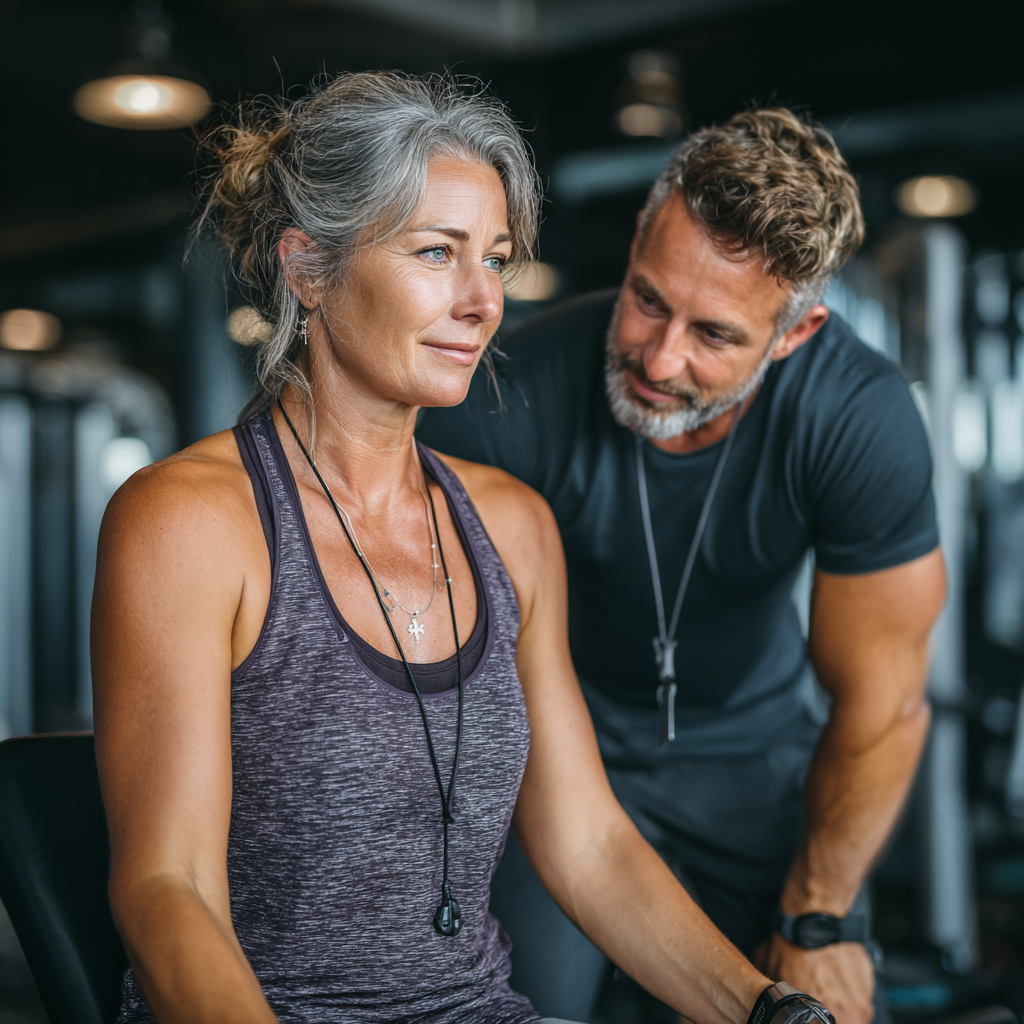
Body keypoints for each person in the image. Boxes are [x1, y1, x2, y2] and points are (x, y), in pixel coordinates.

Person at [90, 73, 826, 1024]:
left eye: (496, 260)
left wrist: (769, 1008)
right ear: (308, 269)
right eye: (438, 253)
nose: (484, 301)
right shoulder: (189, 524)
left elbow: (590, 844)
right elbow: (167, 887)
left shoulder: (512, 529)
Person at [418, 108, 946, 1024]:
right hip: (554, 758)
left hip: (754, 760)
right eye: (649, 299)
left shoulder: (858, 419)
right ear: (635, 245)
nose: (660, 358)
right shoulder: (509, 397)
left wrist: (818, 919)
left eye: (716, 335)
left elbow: (884, 702)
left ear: (796, 332)